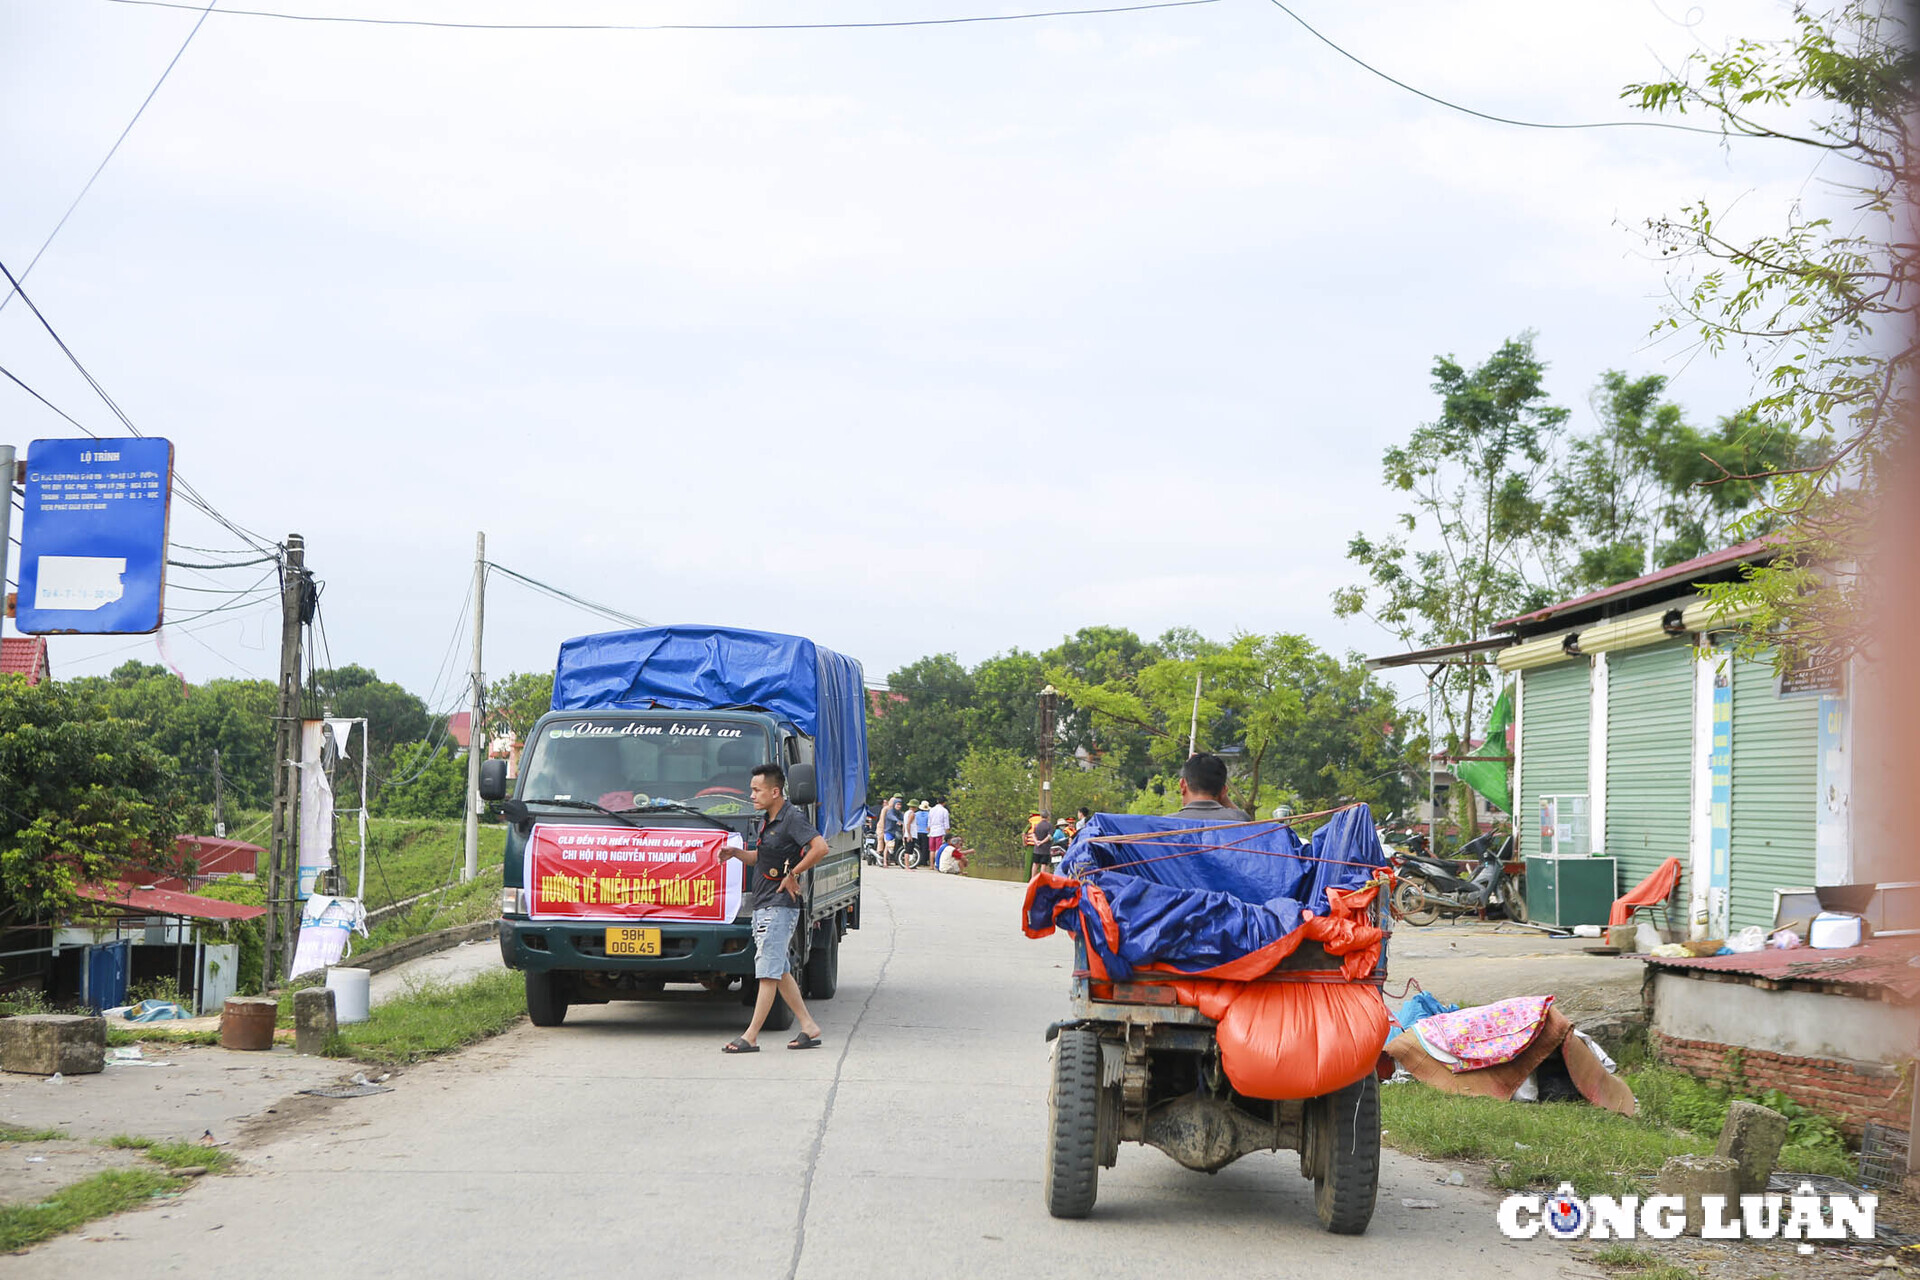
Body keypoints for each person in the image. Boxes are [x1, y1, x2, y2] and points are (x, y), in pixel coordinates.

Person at [719, 763, 825, 1053]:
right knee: (779, 969)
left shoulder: (792, 818)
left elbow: (820, 847)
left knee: (767, 972)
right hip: (764, 904)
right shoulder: (769, 820)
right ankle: (809, 1027)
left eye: (757, 790)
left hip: (779, 906)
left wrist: (794, 874)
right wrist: (737, 854)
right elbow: (762, 859)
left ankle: (750, 1036)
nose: (751, 795)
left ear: (775, 791)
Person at [1172, 753, 1251, 821]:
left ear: (1182, 785)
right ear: (1224, 790)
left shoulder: (1165, 825)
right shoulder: (1238, 821)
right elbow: (1244, 820)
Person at [878, 794, 903, 865]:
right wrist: (897, 820)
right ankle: (885, 862)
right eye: (897, 804)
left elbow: (903, 818)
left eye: (900, 805)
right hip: (888, 831)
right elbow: (891, 816)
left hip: (896, 831)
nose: (899, 806)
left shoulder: (899, 813)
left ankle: (892, 859)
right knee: (887, 846)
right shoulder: (889, 811)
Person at [927, 797, 951, 867]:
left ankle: (931, 865)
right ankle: (936, 864)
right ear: (944, 802)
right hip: (940, 831)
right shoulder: (944, 811)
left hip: (932, 831)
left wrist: (929, 828)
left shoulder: (931, 810)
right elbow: (946, 823)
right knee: (938, 849)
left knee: (932, 850)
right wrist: (947, 833)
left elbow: (929, 820)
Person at [912, 800, 932, 867]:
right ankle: (924, 861)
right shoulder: (929, 814)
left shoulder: (916, 814)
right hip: (926, 832)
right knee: (925, 848)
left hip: (917, 832)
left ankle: (917, 860)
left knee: (918, 847)